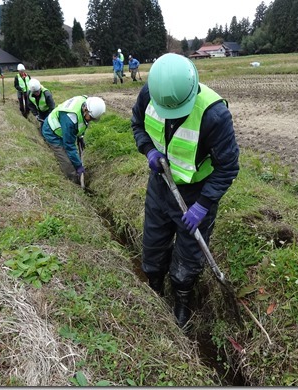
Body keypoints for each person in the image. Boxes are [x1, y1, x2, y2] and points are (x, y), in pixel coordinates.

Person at [131, 53, 239, 329]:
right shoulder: (150, 95)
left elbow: (227, 167)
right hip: (161, 184)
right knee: (153, 248)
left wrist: (203, 204)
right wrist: (149, 150)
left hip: (196, 193)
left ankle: (182, 303)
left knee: (188, 257)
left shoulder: (214, 115)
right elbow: (137, 125)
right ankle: (155, 292)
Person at [41, 95, 106, 184]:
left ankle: (79, 175)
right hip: (52, 131)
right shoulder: (70, 119)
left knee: (72, 156)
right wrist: (79, 166)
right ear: (85, 110)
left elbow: (82, 123)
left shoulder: (86, 101)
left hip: (64, 128)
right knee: (67, 163)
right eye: (91, 118)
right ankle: (75, 183)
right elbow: (69, 145)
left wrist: (80, 136)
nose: (91, 120)